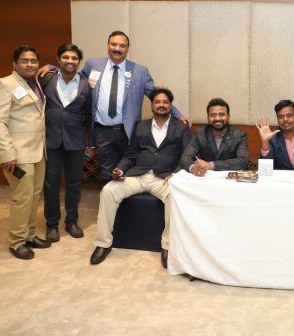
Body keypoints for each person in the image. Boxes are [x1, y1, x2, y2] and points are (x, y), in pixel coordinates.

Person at [41, 31, 187, 183]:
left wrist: (178, 115)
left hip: (129, 133)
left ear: (127, 48)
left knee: (129, 174)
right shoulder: (93, 65)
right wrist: (52, 68)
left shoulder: (140, 71)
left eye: (122, 46)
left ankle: (128, 199)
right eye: (113, 44)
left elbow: (157, 96)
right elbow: (73, 75)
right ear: (107, 46)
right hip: (102, 133)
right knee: (107, 175)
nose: (117, 48)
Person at [90, 88, 191, 267]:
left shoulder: (181, 127)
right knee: (108, 190)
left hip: (163, 178)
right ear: (152, 105)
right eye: (157, 102)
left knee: (175, 196)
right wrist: (120, 169)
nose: (161, 105)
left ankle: (167, 246)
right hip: (138, 175)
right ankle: (103, 243)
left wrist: (175, 174)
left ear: (170, 105)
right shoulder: (141, 126)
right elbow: (130, 155)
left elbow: (186, 156)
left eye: (165, 102)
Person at [0, 45, 51, 259]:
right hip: (17, 154)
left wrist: (50, 66)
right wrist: (7, 153)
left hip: (38, 151)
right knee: (22, 197)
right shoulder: (4, 84)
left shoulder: (34, 83)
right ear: (14, 64)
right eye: (24, 60)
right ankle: (17, 242)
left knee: (34, 196)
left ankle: (30, 234)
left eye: (34, 61)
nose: (30, 64)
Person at [39, 43, 92, 242]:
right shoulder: (47, 78)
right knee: (51, 184)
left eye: (74, 58)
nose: (70, 61)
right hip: (51, 141)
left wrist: (89, 142)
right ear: (58, 59)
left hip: (75, 142)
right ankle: (51, 224)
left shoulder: (87, 85)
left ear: (79, 62)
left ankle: (71, 221)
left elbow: (89, 115)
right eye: (66, 57)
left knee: (74, 184)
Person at [180, 98, 249, 176]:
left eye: (221, 114)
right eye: (212, 115)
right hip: (206, 177)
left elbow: (243, 161)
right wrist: (193, 168)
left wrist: (211, 165)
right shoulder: (200, 133)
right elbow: (185, 157)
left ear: (229, 116)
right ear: (208, 117)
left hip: (230, 178)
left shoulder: (239, 135)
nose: (217, 118)